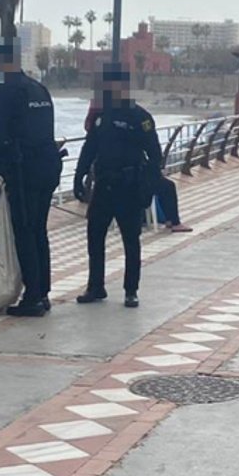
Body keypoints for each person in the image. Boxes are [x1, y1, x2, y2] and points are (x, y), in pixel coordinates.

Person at [0, 40, 61, 317]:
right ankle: (43, 291)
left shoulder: (7, 92)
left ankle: (33, 297)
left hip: (25, 170)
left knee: (25, 232)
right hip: (47, 167)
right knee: (38, 230)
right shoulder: (38, 88)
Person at [75, 65, 161, 308]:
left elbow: (155, 157)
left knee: (131, 240)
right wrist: (79, 175)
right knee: (95, 236)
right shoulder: (102, 116)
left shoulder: (140, 117)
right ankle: (95, 286)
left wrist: (148, 189)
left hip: (129, 187)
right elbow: (89, 148)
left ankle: (131, 290)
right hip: (104, 185)